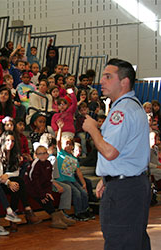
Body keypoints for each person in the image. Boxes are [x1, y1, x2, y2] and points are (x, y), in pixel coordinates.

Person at [82, 58, 151, 250]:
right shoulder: (133, 106)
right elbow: (127, 151)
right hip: (132, 184)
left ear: (124, 82)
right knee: (134, 240)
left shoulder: (120, 111)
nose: (101, 81)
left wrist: (93, 129)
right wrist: (108, 177)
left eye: (108, 77)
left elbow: (110, 152)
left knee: (120, 241)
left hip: (124, 191)